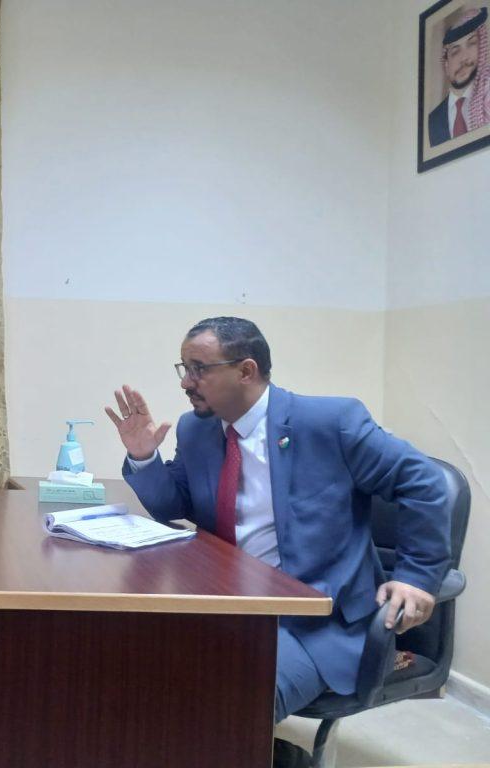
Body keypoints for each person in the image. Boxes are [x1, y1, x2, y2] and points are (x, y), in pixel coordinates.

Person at [106, 317, 450, 768]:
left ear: (246, 371)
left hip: (314, 623)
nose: (186, 382)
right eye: (184, 369)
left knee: (222, 711)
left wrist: (416, 577)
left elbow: (424, 482)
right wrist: (142, 455)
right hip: (227, 606)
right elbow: (174, 503)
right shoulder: (196, 430)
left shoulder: (330, 422)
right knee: (129, 676)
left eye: (199, 369)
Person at [428, 6, 489, 146]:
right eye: (455, 51)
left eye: (471, 43)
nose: (463, 58)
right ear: (446, 64)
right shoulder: (432, 120)